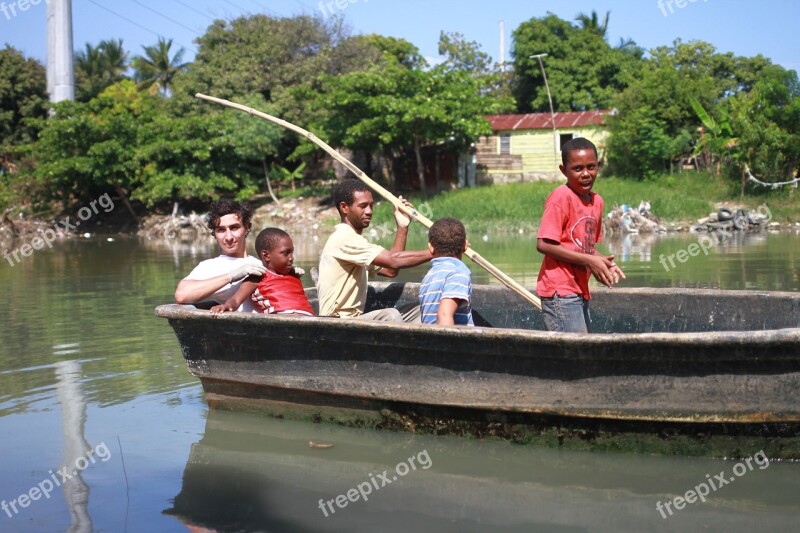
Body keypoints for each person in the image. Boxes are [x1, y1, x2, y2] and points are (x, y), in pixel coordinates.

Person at [536, 138, 625, 333]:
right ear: (563, 170)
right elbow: (544, 244)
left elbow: (585, 246)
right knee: (576, 352)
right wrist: (589, 261)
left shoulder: (597, 202)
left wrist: (603, 262)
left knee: (581, 347)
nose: (586, 174)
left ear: (598, 166)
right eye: (577, 169)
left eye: (591, 167)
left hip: (578, 289)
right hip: (560, 291)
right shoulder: (561, 197)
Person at [317, 179, 432, 321]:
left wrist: (402, 226)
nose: (369, 211)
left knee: (422, 310)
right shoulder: (344, 238)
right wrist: (436, 252)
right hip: (337, 320)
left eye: (371, 206)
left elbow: (391, 270)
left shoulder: (355, 242)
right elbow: (393, 261)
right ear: (344, 207)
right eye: (363, 206)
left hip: (357, 318)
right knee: (390, 315)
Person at [211, 227, 315, 317]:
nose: (291, 258)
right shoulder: (257, 277)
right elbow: (235, 300)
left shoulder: (293, 274)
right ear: (266, 256)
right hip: (282, 322)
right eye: (285, 253)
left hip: (310, 319)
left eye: (291, 252)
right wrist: (226, 306)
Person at [419, 218, 474, 326]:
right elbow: (444, 315)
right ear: (465, 245)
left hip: (429, 339)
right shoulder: (458, 274)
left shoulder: (429, 275)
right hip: (452, 341)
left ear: (430, 248)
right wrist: (451, 343)